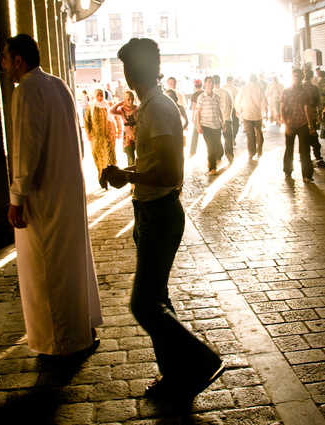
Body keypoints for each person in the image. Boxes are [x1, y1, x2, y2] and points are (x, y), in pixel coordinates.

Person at [101, 37, 225, 402]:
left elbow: (170, 171)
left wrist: (130, 178)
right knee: (158, 300)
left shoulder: (157, 109)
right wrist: (128, 171)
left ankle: (202, 360)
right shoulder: (153, 105)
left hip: (160, 215)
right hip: (149, 213)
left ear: (130, 72)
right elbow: (158, 161)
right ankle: (174, 377)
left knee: (143, 304)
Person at [2, 34, 103, 357]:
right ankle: (82, 328)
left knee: (48, 271)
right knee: (70, 263)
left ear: (19, 60)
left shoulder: (27, 91)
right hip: (67, 189)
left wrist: (17, 197)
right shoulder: (58, 84)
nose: (4, 66)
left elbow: (24, 151)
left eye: (5, 59)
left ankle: (60, 341)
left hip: (43, 196)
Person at [280, 68, 315, 182]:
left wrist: (311, 126)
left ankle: (307, 175)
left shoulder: (306, 92)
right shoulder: (286, 91)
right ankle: (288, 171)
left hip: (302, 124)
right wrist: (285, 125)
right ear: (292, 77)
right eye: (294, 76)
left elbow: (308, 110)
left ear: (302, 77)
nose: (296, 78)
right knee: (289, 149)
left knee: (305, 150)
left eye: (298, 76)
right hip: (290, 124)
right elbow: (282, 109)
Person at [85, 88, 119, 181]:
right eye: (98, 95)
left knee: (110, 157)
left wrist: (119, 131)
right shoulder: (91, 107)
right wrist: (88, 133)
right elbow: (87, 121)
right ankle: (102, 178)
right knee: (99, 158)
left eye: (101, 95)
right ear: (94, 96)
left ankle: (112, 178)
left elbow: (117, 119)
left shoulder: (109, 105)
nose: (100, 97)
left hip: (109, 137)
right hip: (97, 138)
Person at [196, 76, 226, 175]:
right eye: (209, 82)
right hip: (206, 125)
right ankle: (213, 168)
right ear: (205, 84)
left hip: (216, 125)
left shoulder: (217, 97)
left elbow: (219, 110)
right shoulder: (201, 97)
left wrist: (223, 123)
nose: (210, 84)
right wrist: (199, 126)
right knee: (210, 146)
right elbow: (198, 112)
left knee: (216, 145)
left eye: (212, 82)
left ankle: (210, 159)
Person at [235, 73, 267, 159]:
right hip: (258, 115)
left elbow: (238, 100)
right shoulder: (260, 89)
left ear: (249, 80)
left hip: (247, 115)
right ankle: (259, 150)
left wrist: (237, 109)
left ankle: (251, 152)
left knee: (250, 134)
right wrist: (265, 113)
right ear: (256, 80)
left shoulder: (244, 88)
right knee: (259, 132)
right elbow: (264, 102)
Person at [110, 90, 139, 168]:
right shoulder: (122, 110)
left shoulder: (137, 108)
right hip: (127, 136)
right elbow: (111, 111)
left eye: (132, 99)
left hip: (138, 134)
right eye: (128, 99)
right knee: (130, 158)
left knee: (140, 158)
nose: (130, 101)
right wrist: (120, 103)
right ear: (124, 100)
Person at [303, 69, 324, 163]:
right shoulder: (315, 88)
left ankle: (305, 157)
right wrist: (319, 116)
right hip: (313, 115)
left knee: (304, 137)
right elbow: (320, 103)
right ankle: (317, 155)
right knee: (314, 134)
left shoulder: (301, 88)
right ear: (312, 77)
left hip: (302, 117)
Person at [213, 75, 235, 164]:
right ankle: (229, 154)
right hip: (227, 118)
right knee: (228, 138)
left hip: (215, 120)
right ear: (220, 81)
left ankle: (218, 155)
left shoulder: (212, 93)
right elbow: (231, 105)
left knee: (217, 138)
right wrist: (228, 114)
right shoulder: (226, 91)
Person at [189, 79, 204, 156]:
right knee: (206, 133)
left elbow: (194, 106)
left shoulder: (194, 95)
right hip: (205, 114)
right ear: (201, 85)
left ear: (195, 86)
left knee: (195, 133)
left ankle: (192, 150)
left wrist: (192, 117)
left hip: (197, 114)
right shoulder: (205, 93)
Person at [223, 76, 240, 143]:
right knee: (235, 124)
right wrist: (238, 109)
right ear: (232, 81)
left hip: (224, 109)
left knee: (227, 124)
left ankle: (228, 139)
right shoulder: (235, 89)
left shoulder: (222, 88)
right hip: (233, 108)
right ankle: (233, 137)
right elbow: (238, 100)